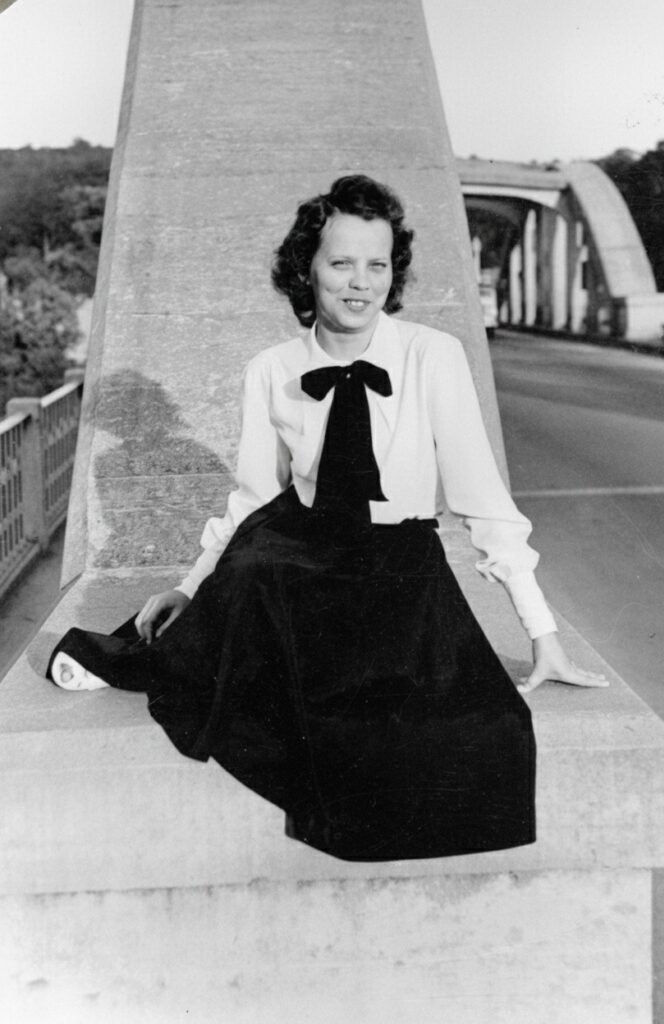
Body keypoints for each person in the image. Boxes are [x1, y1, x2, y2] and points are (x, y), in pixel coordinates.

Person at [48, 175, 607, 862]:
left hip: (399, 563)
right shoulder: (269, 369)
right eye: (341, 262)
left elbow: (483, 502)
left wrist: (542, 633)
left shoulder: (432, 355)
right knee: (249, 601)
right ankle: (143, 653)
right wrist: (192, 587)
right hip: (302, 554)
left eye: (378, 264)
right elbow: (252, 499)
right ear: (305, 269)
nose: (360, 282)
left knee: (472, 725)